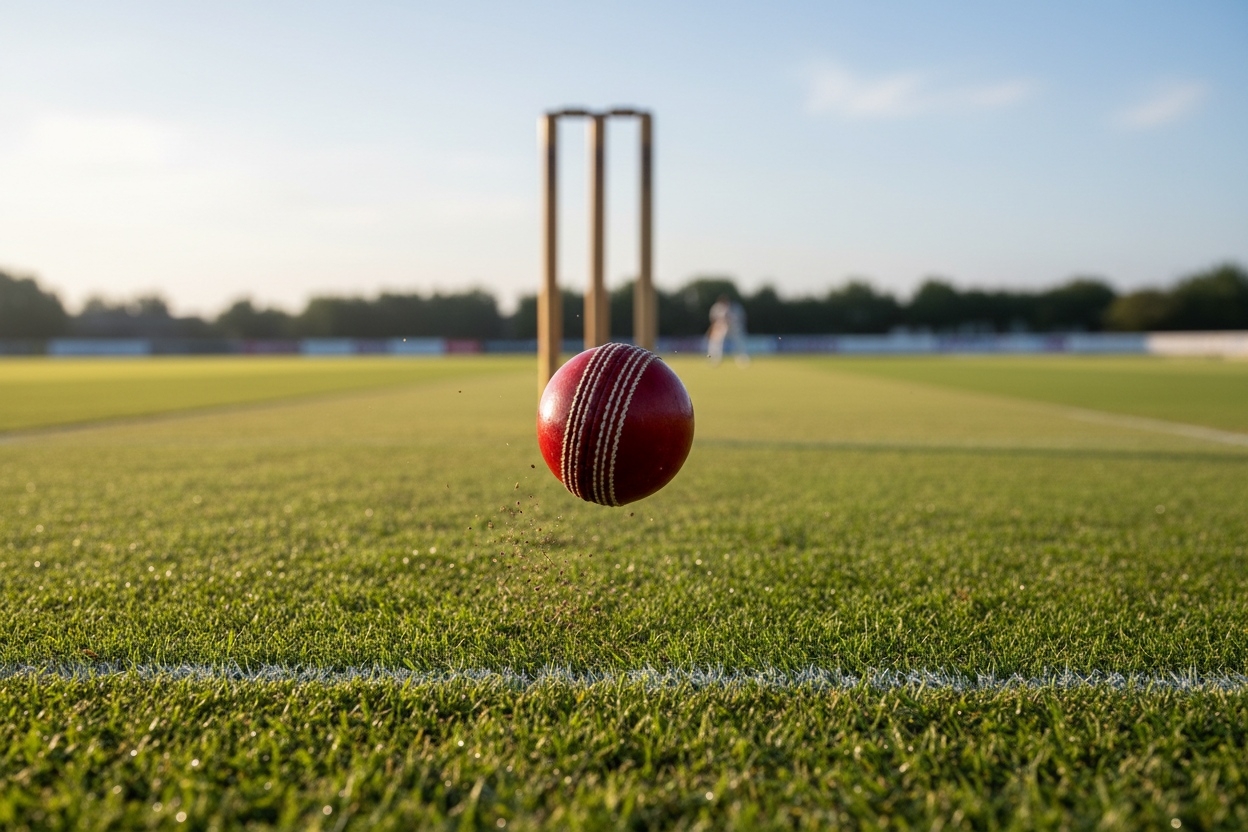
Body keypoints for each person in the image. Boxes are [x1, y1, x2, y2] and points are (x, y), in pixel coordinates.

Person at [707, 294, 749, 366]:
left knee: (738, 343)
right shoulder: (716, 308)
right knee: (716, 343)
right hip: (721, 328)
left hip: (734, 328)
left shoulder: (735, 308)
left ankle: (742, 359)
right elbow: (713, 320)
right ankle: (714, 359)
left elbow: (741, 319)